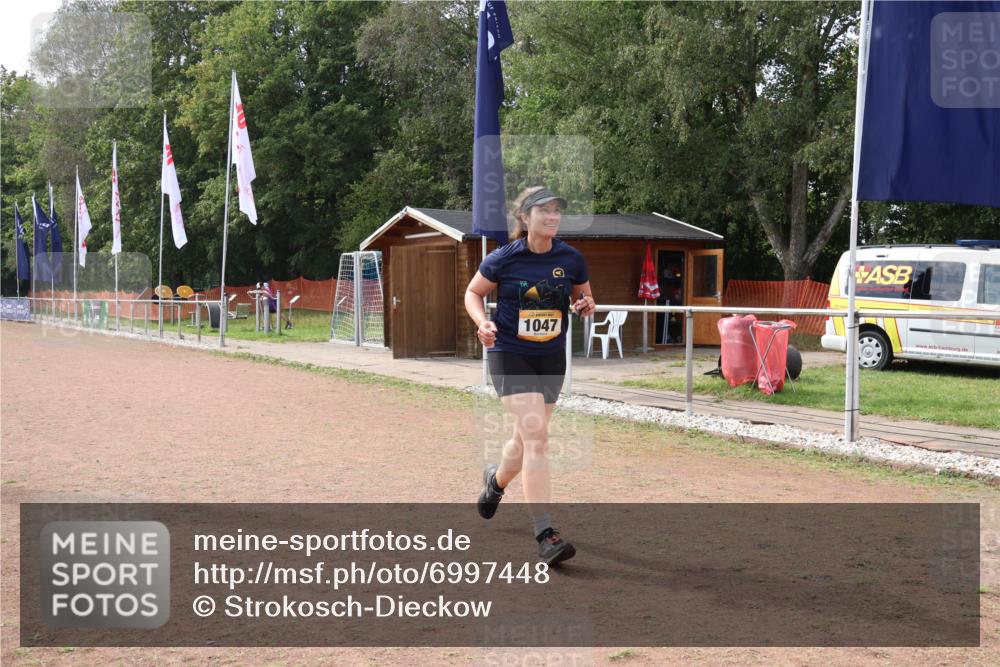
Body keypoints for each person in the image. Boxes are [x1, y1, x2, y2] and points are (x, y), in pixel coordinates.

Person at [464, 186, 597, 565]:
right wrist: (483, 322)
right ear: (524, 218)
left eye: (557, 211)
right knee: (537, 437)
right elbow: (473, 293)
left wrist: (585, 305)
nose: (552, 217)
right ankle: (546, 534)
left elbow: (584, 298)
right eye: (544, 211)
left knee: (525, 440)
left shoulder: (571, 258)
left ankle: (496, 481)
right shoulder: (504, 258)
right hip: (510, 354)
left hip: (551, 357)